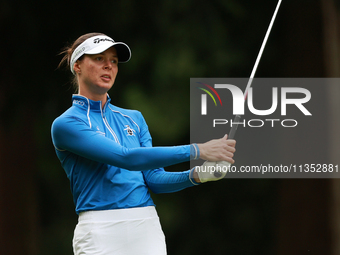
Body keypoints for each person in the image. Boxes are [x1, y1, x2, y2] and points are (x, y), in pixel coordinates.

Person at [51, 32, 236, 255]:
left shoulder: (134, 118)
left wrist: (198, 175)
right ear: (78, 65)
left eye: (114, 61)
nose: (108, 66)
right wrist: (198, 149)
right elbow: (126, 157)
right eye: (99, 59)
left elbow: (154, 179)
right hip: (99, 230)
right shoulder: (66, 124)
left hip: (146, 227)